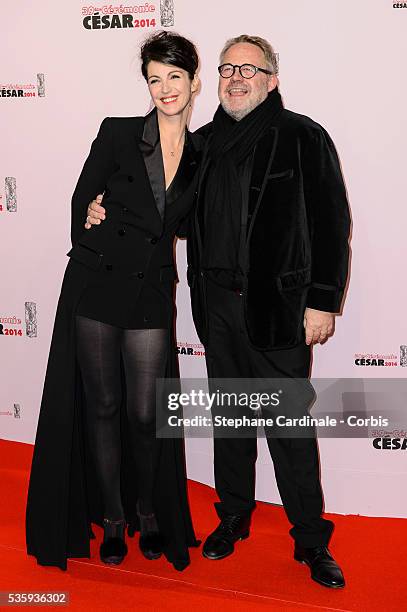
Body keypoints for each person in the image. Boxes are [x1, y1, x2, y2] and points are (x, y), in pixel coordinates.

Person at [86, 34, 351, 588]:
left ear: (271, 79)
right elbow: (165, 214)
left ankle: (309, 541)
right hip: (217, 310)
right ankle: (232, 518)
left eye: (249, 69)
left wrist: (323, 302)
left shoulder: (303, 136)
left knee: (288, 430)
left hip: (279, 313)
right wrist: (101, 205)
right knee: (232, 424)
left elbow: (331, 224)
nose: (236, 77)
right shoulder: (201, 144)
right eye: (228, 67)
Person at [26, 30, 204, 572]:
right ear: (146, 85)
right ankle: (113, 519)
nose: (165, 88)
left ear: (194, 82)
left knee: (146, 410)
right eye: (155, 79)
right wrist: (90, 216)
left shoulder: (204, 153)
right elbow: (84, 194)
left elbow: (200, 223)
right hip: (98, 282)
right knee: (102, 406)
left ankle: (148, 509)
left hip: (150, 288)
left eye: (175, 77)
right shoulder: (119, 133)